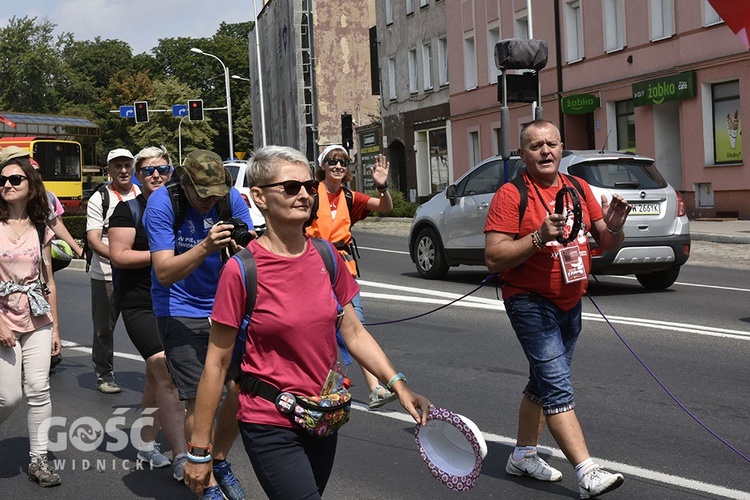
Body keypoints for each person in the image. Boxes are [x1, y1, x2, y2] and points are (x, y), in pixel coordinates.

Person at [183, 145, 431, 500]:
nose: (303, 194)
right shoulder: (241, 271)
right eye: (290, 187)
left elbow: (354, 332)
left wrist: (398, 385)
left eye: (307, 187)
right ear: (259, 197)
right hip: (268, 419)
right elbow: (217, 363)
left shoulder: (327, 256)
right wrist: (199, 448)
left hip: (321, 416)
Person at [484, 119, 631, 499]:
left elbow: (608, 242)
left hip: (571, 300)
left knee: (541, 382)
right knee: (556, 385)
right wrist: (537, 237)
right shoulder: (510, 194)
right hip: (530, 301)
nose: (545, 151)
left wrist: (614, 227)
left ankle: (522, 455)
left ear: (562, 147)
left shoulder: (578, 187)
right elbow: (494, 258)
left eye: (551, 144)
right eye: (536, 146)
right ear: (523, 154)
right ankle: (587, 472)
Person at [144, 149, 252, 500]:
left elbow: (251, 250)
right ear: (185, 183)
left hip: (224, 304)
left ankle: (216, 459)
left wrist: (241, 247)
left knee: (241, 388)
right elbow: (163, 272)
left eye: (215, 194)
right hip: (177, 306)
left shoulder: (229, 198)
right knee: (197, 399)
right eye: (202, 194)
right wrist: (206, 246)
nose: (209, 202)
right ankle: (207, 484)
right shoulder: (162, 204)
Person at [108, 146, 188, 479]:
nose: (156, 175)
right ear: (138, 176)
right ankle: (184, 456)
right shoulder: (128, 210)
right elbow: (119, 255)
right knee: (166, 371)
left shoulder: (183, 209)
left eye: (163, 169)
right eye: (148, 170)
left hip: (179, 302)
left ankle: (144, 443)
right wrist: (160, 255)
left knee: (156, 377)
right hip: (141, 305)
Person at [305, 145, 397, 409]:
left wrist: (382, 186)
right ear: (323, 166)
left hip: (344, 269)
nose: (338, 165)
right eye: (332, 161)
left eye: (343, 161)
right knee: (320, 327)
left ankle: (375, 389)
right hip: (313, 267)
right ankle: (326, 382)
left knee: (356, 325)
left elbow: (385, 206)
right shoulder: (310, 194)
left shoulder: (348, 197)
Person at [0, 151, 62, 487]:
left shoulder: (40, 227)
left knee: (38, 389)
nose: (7, 185)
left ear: (30, 185)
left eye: (15, 180)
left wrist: (56, 329)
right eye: (2, 181)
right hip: (2, 318)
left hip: (37, 317)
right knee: (8, 396)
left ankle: (40, 461)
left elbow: (48, 282)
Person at [86, 148, 140, 393]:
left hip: (140, 276)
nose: (123, 170)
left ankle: (162, 371)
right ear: (109, 170)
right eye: (117, 166)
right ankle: (104, 374)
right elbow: (94, 241)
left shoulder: (144, 194)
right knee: (104, 330)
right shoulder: (100, 198)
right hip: (106, 276)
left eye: (127, 165)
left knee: (152, 325)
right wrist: (120, 258)